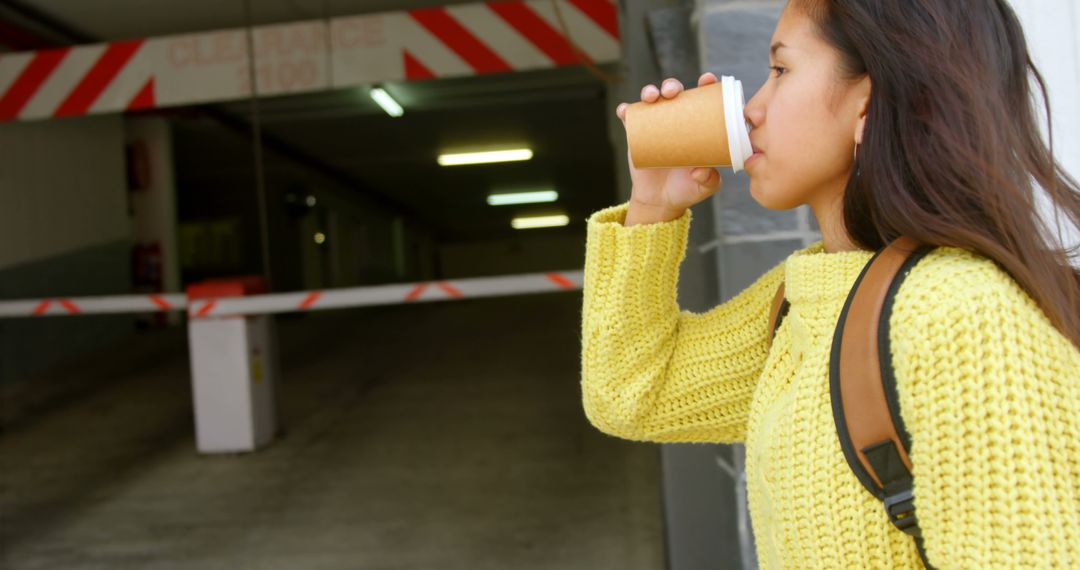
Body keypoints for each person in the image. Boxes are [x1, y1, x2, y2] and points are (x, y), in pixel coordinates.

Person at [579, 0, 1080, 568]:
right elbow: (634, 394)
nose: (750, 111)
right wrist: (652, 206)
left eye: (781, 70)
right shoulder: (807, 302)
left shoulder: (960, 317)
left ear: (868, 102)